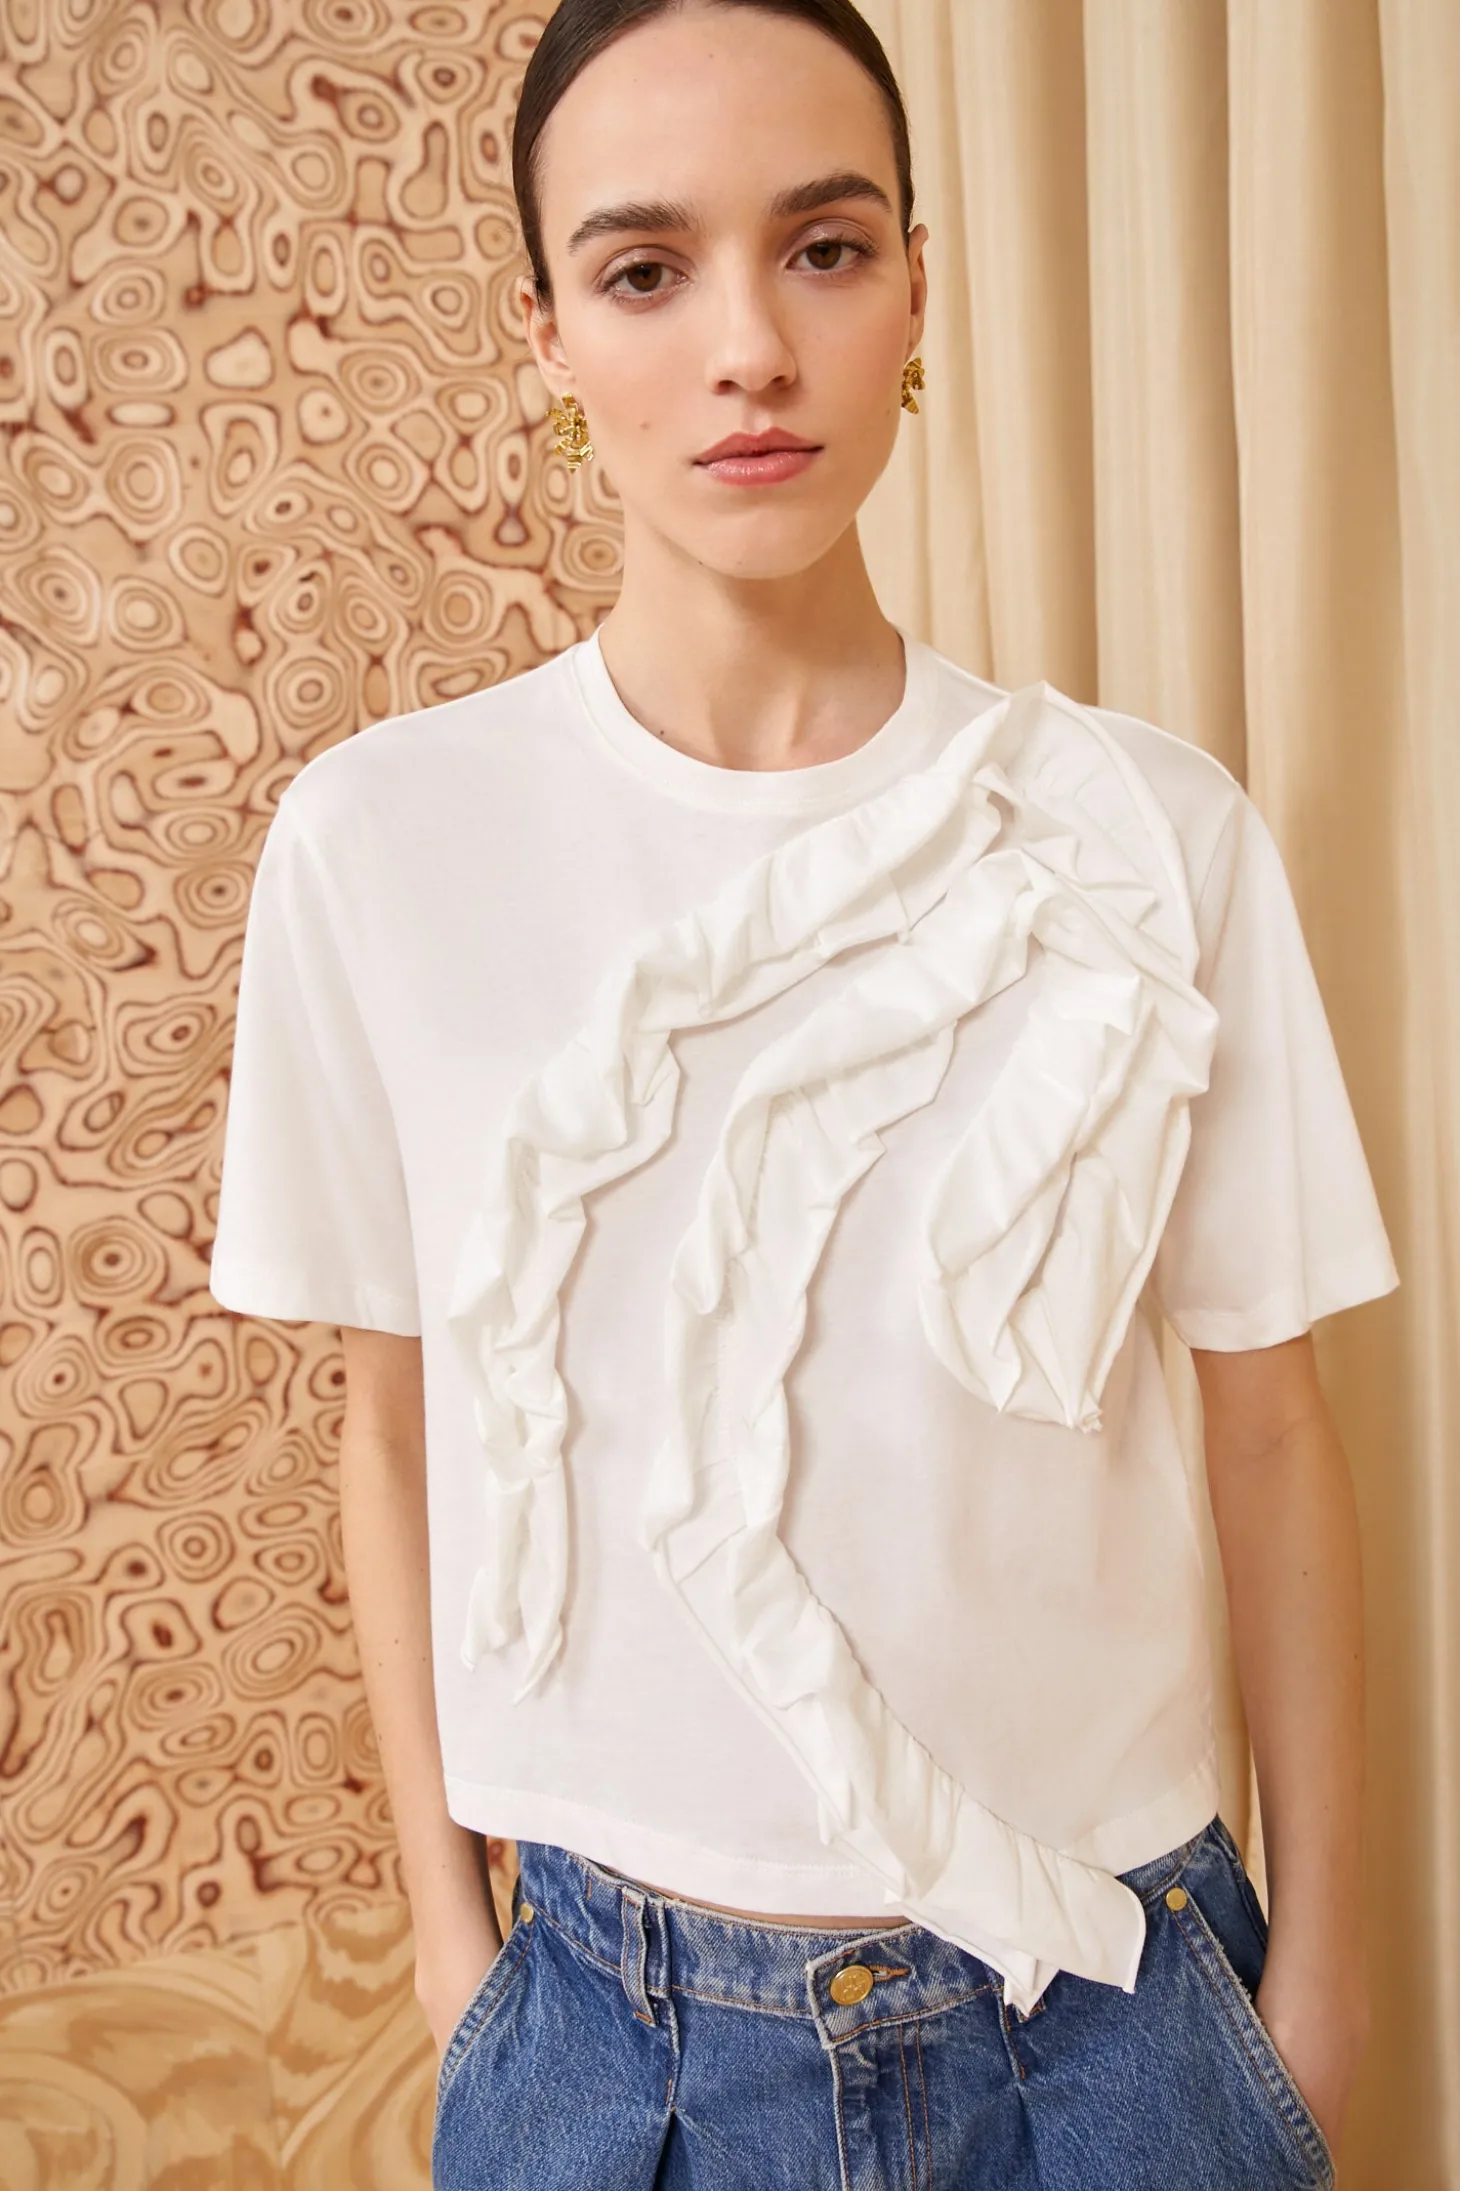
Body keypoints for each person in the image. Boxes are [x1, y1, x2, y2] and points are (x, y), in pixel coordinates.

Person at [209, 2, 1400, 2184]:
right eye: (646, 271)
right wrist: (454, 1952)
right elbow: (396, 1422)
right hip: (608, 2038)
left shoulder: (1148, 832)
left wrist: (1324, 1979)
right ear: (548, 331)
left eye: (825, 248)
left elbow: (1264, 1418)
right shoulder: (380, 845)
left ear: (917, 291)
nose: (748, 349)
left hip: (1115, 2017)